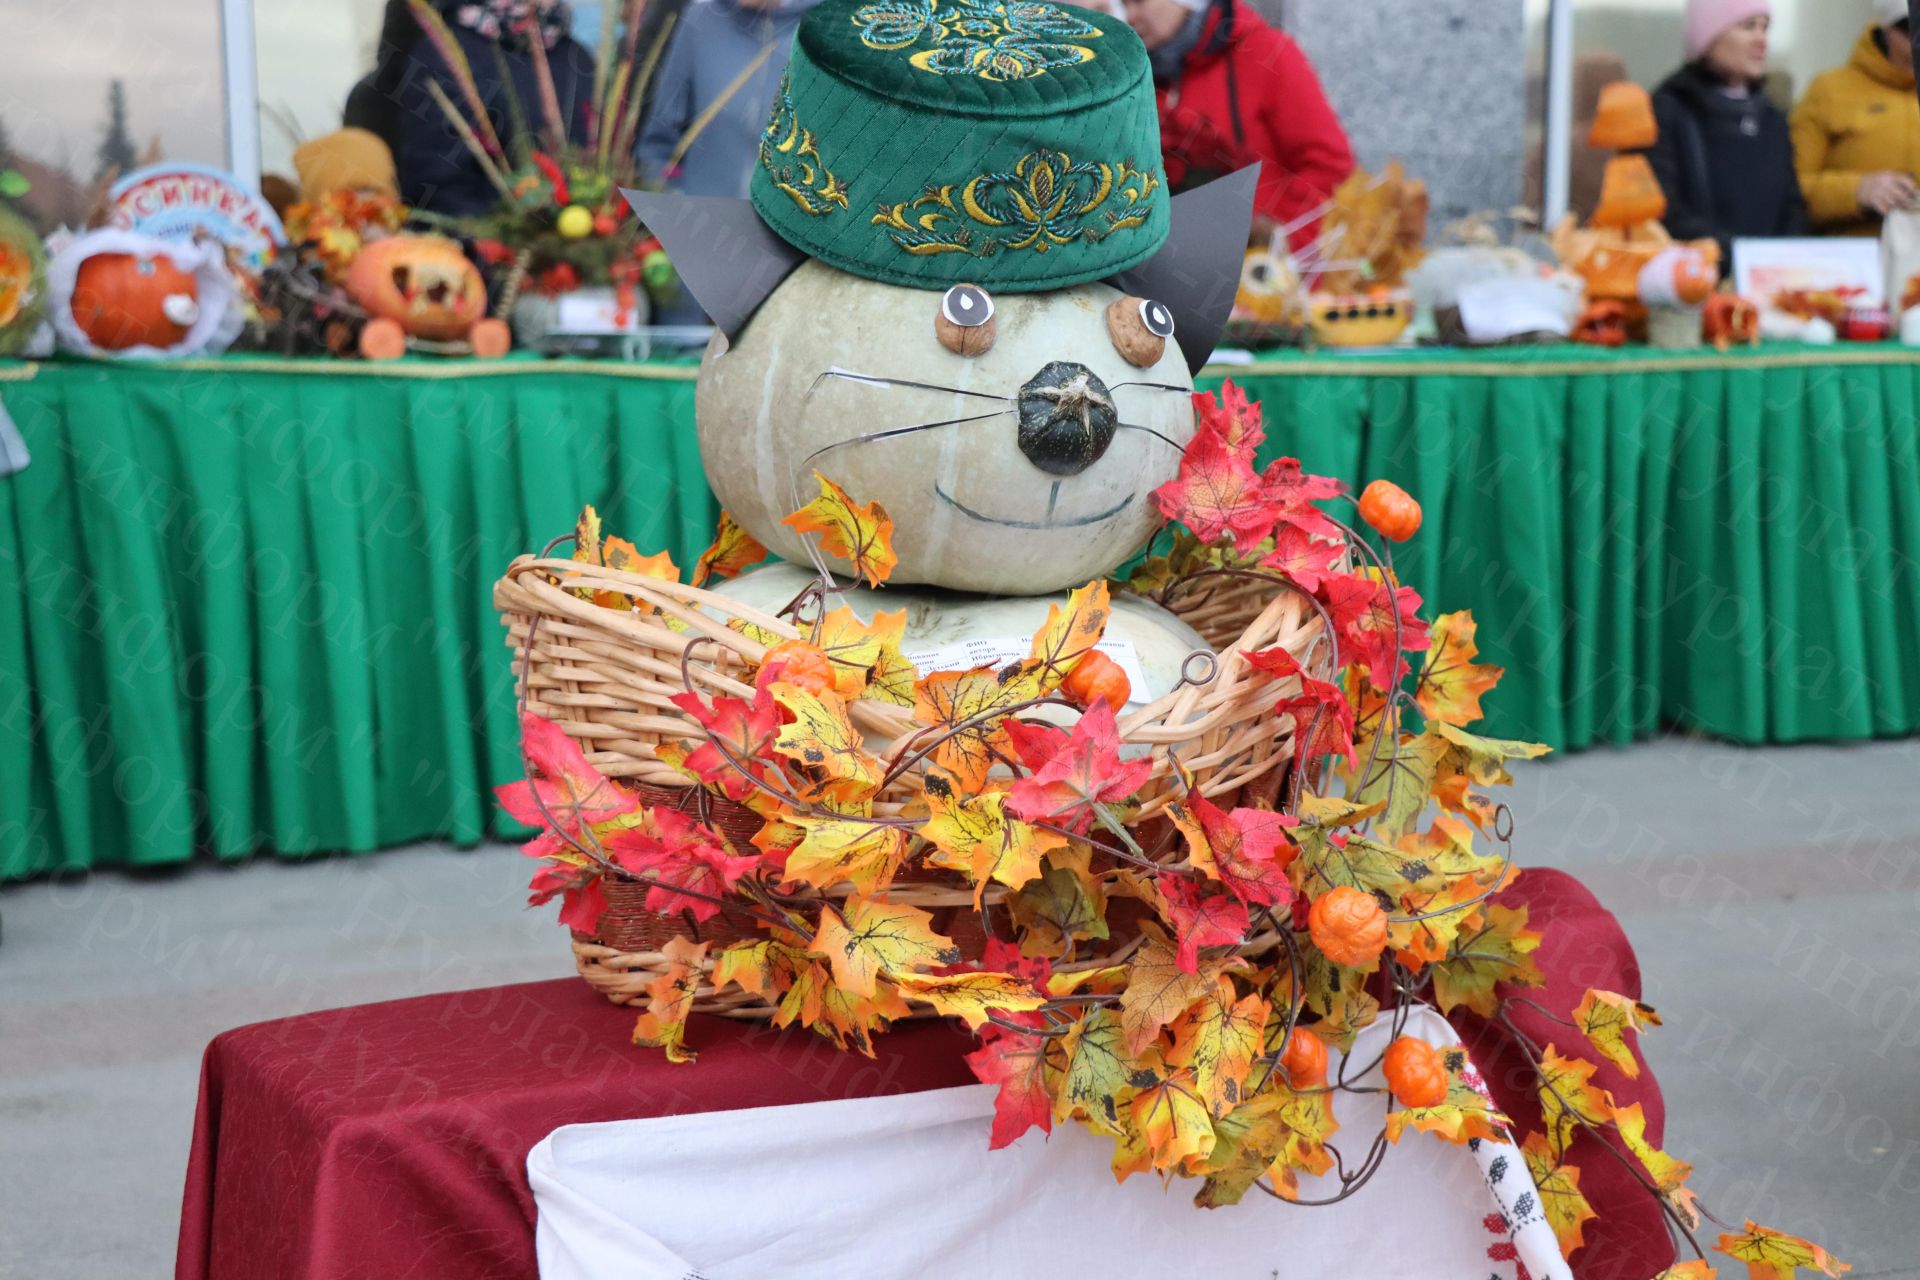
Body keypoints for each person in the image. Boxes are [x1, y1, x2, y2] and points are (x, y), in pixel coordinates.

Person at [1121, 0, 1354, 249]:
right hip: (1182, 265)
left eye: (1138, 2)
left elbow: (1330, 167)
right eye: (1123, 5)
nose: (1129, 16)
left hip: (1268, 271)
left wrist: (1279, 236)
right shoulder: (1143, 77)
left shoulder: (1266, 53)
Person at [390, 0, 595, 217]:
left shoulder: (574, 54)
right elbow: (439, 187)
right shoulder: (443, 57)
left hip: (587, 240)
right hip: (495, 241)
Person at [1645, 0, 1807, 263]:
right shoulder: (1667, 112)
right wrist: (1737, 257)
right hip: (1695, 283)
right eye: (1748, 27)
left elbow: (1792, 208)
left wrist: (1783, 258)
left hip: (1770, 285)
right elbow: (1661, 209)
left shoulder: (1772, 119)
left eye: (1765, 28)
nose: (1761, 40)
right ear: (1709, 38)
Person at [636, 0, 820, 198]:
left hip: (783, 226)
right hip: (700, 220)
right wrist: (679, 209)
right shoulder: (701, 19)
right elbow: (656, 143)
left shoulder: (829, 28)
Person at [1790, 0, 1920, 236]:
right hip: (1851, 262)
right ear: (1885, 29)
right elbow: (1788, 191)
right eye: (1909, 28)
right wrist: (1857, 191)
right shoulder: (1829, 91)